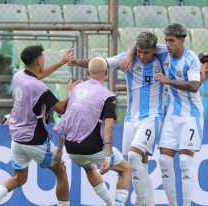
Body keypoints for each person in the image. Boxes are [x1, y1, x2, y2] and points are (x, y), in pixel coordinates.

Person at [69, 31, 164, 206]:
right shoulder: (127, 60)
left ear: (154, 51)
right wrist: (77, 62)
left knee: (134, 157)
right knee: (139, 164)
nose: (142, 56)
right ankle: (149, 203)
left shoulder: (162, 57)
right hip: (130, 118)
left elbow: (176, 49)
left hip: (152, 117)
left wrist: (132, 50)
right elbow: (100, 64)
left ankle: (140, 201)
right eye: (139, 51)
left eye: (146, 53)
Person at [121, 23, 204, 206]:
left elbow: (194, 86)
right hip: (172, 115)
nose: (167, 44)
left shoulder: (191, 59)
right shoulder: (164, 52)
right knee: (164, 161)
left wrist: (168, 80)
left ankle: (187, 203)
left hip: (191, 115)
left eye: (171, 40)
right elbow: (140, 45)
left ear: (182, 40)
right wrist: (129, 54)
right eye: (166, 40)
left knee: (184, 162)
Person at [0, 45, 77, 206]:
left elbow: (39, 74)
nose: (43, 59)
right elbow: (61, 109)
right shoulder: (40, 88)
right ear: (38, 61)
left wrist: (62, 62)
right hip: (35, 140)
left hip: (16, 139)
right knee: (61, 172)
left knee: (19, 178)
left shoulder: (19, 76)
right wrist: (71, 92)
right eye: (42, 57)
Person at [53, 57, 131, 206]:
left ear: (88, 72)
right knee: (125, 170)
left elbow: (67, 119)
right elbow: (108, 128)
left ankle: (110, 204)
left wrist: (59, 151)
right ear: (106, 73)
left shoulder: (75, 89)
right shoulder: (108, 96)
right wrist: (107, 157)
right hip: (92, 148)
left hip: (71, 149)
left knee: (89, 168)